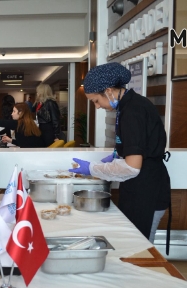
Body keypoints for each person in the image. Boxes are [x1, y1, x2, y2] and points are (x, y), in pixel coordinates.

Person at [68, 62, 171, 242]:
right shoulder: (130, 106)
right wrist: (117, 156)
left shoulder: (132, 111)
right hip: (141, 187)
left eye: (96, 101)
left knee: (140, 248)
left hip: (146, 191)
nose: (97, 107)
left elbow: (132, 167)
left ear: (108, 91)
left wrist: (92, 169)